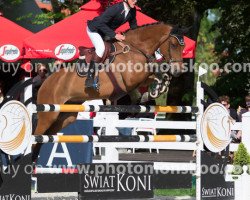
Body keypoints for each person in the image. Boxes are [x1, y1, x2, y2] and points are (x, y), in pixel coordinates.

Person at [85, 0, 138, 88]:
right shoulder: (116, 8)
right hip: (94, 29)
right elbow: (100, 23)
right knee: (101, 48)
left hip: (105, 32)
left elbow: (134, 27)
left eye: (136, 0)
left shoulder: (132, 10)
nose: (135, 1)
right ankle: (89, 78)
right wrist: (114, 35)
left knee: (117, 47)